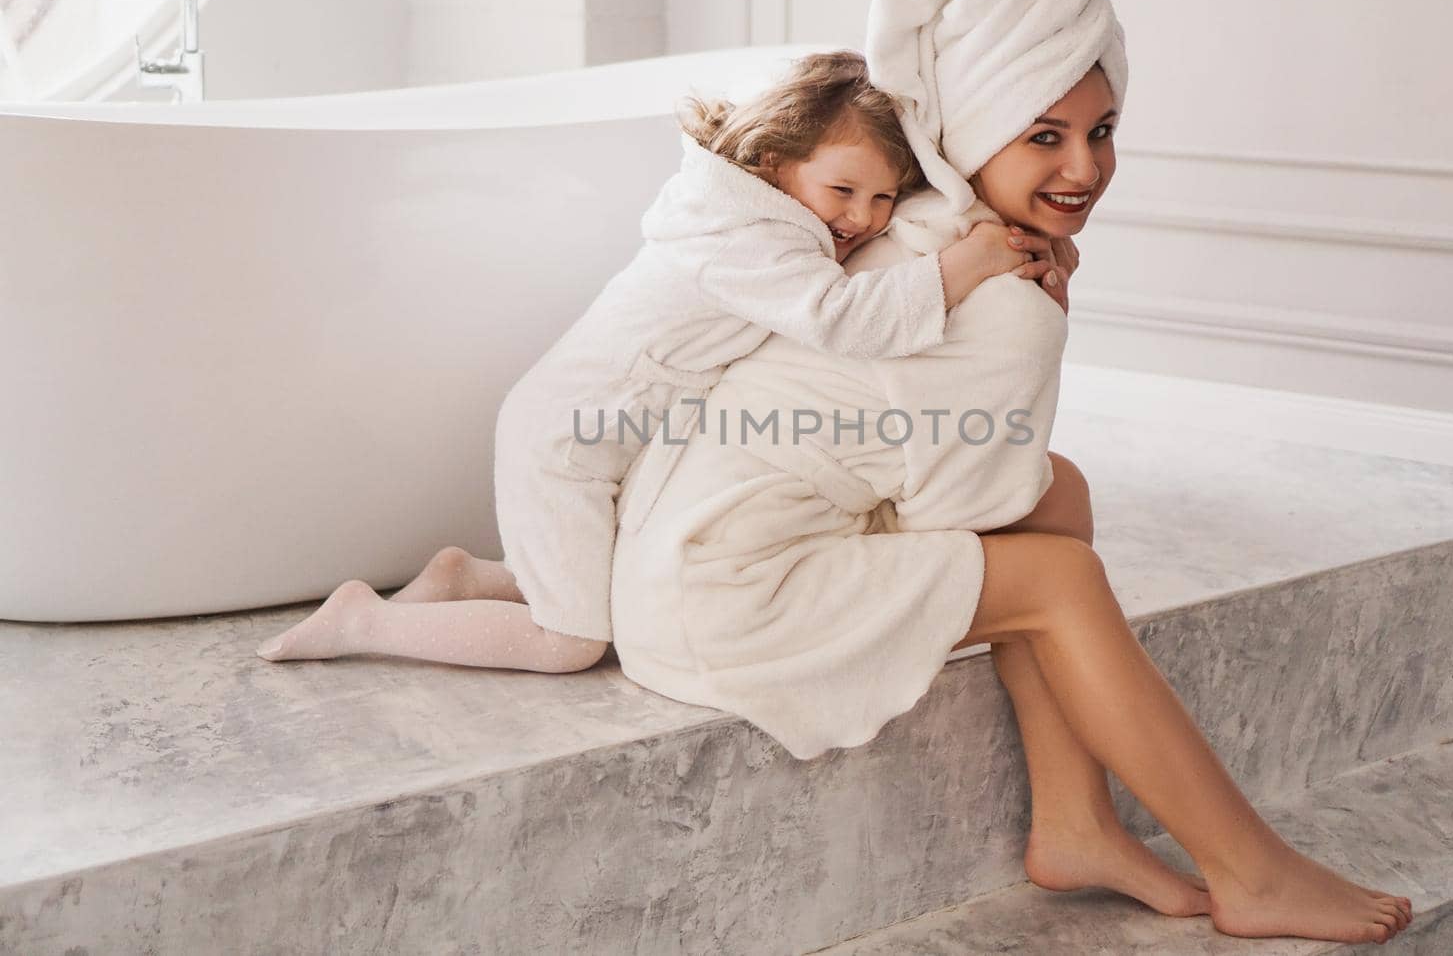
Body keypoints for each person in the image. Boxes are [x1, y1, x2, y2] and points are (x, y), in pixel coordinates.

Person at [603, 0, 1415, 945]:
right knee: (1058, 573)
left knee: (1059, 490)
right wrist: (1042, 332)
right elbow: (966, 496)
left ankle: (1075, 818)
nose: (1082, 168)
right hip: (723, 597)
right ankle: (1247, 867)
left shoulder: (928, 229)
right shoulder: (994, 297)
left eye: (1101, 130)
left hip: (683, 555)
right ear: (972, 133)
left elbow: (961, 467)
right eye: (1043, 135)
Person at [254, 50, 1061, 671]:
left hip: (611, 432)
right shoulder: (748, 238)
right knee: (569, 639)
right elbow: (838, 316)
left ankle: (464, 578)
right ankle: (370, 622)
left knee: (599, 586)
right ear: (777, 162)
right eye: (845, 190)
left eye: (884, 200)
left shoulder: (758, 217)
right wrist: (966, 266)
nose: (864, 218)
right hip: (567, 443)